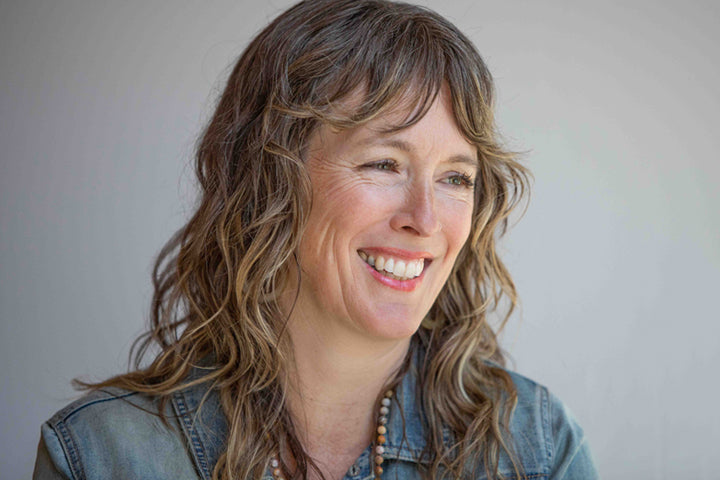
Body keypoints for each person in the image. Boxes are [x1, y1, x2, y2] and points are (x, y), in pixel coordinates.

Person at [33, 0, 599, 479]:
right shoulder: (103, 454)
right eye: (384, 163)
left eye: (456, 177)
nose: (425, 219)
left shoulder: (537, 451)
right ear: (269, 181)